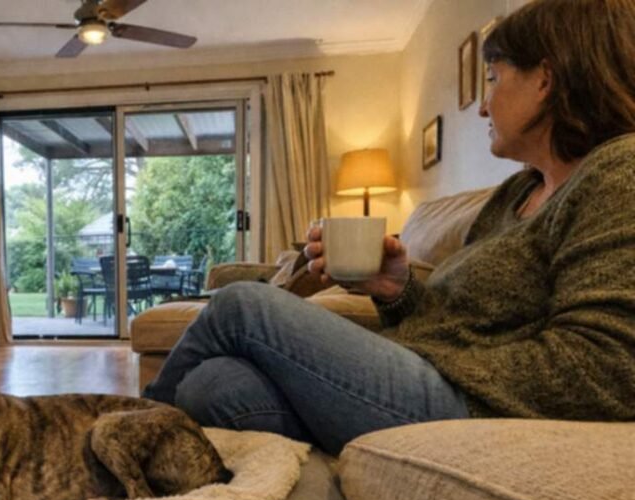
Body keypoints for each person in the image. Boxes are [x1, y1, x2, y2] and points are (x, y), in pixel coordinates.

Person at [143, 0, 635, 455]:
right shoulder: (517, 194)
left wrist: (441, 364)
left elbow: (606, 368)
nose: (484, 106)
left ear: (545, 80)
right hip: (429, 378)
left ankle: (117, 432)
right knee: (212, 386)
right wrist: (396, 288)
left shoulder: (620, 173)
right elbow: (459, 321)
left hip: (470, 409)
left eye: (493, 78)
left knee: (242, 305)